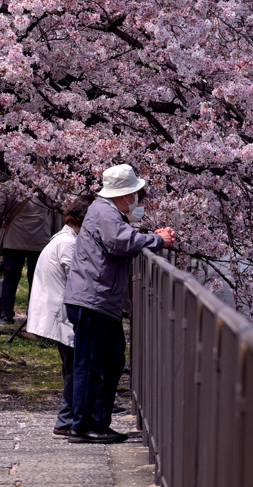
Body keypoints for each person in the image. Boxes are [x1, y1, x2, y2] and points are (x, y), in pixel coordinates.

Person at [64, 165, 175, 444]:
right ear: (124, 195)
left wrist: (150, 237)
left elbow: (120, 237)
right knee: (90, 365)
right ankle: (82, 424)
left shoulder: (107, 212)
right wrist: (157, 240)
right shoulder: (104, 211)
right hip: (92, 299)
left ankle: (97, 421)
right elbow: (120, 242)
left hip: (101, 300)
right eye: (136, 194)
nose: (138, 200)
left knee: (112, 360)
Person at [26, 194, 95, 438]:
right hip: (61, 314)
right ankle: (65, 420)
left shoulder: (64, 238)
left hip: (57, 312)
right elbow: (77, 277)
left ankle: (71, 415)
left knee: (72, 367)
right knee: (75, 368)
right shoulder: (68, 243)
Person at [0, 192, 61, 324]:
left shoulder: (9, 187)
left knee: (10, 279)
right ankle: (34, 315)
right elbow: (56, 212)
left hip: (14, 239)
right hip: (39, 239)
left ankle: (6, 314)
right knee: (36, 280)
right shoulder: (46, 187)